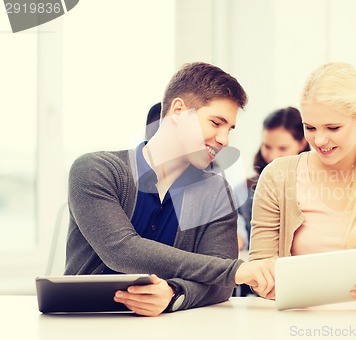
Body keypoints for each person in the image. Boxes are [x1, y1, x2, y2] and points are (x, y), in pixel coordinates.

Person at [65, 62, 274, 317]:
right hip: (84, 322)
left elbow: (221, 286)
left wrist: (174, 294)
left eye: (229, 128)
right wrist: (235, 270)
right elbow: (121, 250)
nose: (224, 139)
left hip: (170, 328)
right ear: (178, 111)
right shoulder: (97, 170)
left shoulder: (216, 191)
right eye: (216, 123)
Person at [249, 62, 356, 309]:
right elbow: (260, 266)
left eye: (333, 128)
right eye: (310, 127)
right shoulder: (277, 176)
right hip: (298, 322)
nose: (319, 140)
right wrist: (269, 284)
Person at [237, 107, 309, 250]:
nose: (273, 156)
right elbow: (242, 238)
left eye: (282, 148)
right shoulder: (245, 189)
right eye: (267, 146)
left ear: (302, 143)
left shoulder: (318, 185)